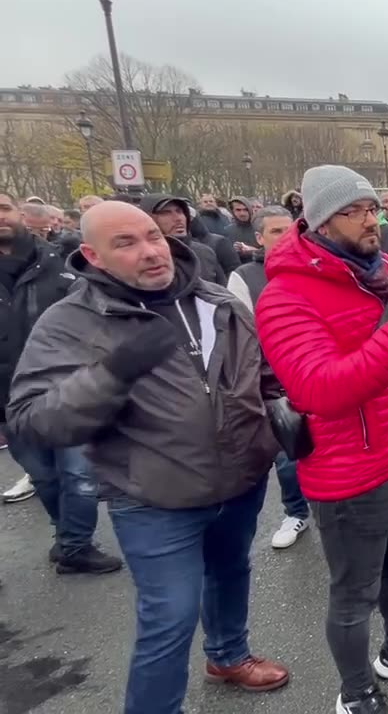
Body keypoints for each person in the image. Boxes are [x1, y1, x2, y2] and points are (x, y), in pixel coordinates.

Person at [7, 201, 292, 714]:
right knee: (170, 617)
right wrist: (112, 374)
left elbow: (263, 375)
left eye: (151, 237)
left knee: (230, 573)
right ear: (92, 255)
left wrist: (284, 420)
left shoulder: (217, 300)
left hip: (241, 478)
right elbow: (31, 419)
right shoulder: (71, 321)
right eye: (126, 243)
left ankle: (228, 655)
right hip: (152, 498)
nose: (150, 251)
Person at [254, 165, 388, 714]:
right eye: (355, 211)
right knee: (353, 594)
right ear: (320, 222)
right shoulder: (285, 297)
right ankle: (356, 691)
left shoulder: (376, 274)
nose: (372, 220)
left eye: (372, 208)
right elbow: (320, 390)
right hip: (350, 475)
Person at [0, 191, 120, 574]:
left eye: (3, 208)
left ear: (20, 213)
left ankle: (75, 545)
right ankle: (63, 532)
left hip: (69, 391)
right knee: (43, 477)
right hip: (8, 398)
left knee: (78, 476)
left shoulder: (61, 265)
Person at [225, 206, 312, 550]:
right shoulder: (245, 277)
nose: (287, 237)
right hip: (275, 382)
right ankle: (295, 512)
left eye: (290, 230)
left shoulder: (313, 267)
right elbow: (241, 337)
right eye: (277, 232)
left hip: (317, 372)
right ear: (259, 238)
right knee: (288, 456)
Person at [140, 195, 227, 286]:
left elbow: (223, 293)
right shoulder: (143, 256)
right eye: (166, 213)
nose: (178, 218)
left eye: (180, 211)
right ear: (149, 218)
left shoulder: (204, 252)